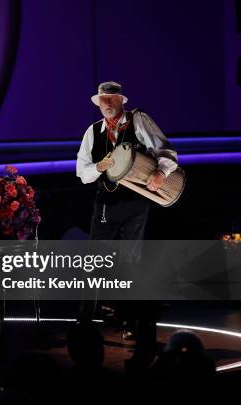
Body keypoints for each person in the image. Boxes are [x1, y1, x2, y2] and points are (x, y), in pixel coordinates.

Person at [75, 81, 178, 369]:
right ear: (98, 103)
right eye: (103, 99)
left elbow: (167, 151)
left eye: (112, 98)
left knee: (129, 261)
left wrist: (160, 171)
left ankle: (133, 324)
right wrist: (99, 167)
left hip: (134, 203)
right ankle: (85, 323)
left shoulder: (138, 120)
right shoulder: (92, 132)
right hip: (106, 205)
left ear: (121, 100)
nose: (107, 103)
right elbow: (81, 171)